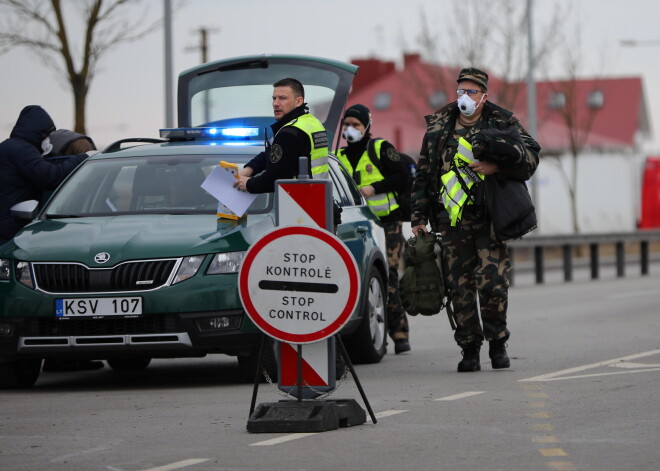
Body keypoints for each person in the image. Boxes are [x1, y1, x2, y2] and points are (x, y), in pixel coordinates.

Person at [410, 68, 540, 372]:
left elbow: (531, 156)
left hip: (490, 218)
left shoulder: (501, 121)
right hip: (452, 220)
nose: (464, 98)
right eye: (460, 92)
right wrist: (417, 216)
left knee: (492, 282)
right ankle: (469, 347)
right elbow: (423, 172)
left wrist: (498, 166)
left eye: (471, 92)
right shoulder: (439, 126)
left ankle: (497, 342)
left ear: (484, 96)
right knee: (459, 286)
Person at [336, 104, 411, 354]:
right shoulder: (339, 158)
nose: (350, 129)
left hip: (387, 224)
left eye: (355, 125)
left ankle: (399, 334)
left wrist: (375, 188)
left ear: (366, 127)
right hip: (358, 228)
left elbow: (403, 177)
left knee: (388, 277)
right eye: (346, 125)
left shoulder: (380, 148)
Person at [0, 106, 89, 245]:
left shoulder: (9, 147)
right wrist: (82, 158)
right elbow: (50, 177)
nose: (49, 140)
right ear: (39, 133)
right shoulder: (23, 150)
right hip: (12, 226)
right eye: (48, 135)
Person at [235, 77, 329, 193]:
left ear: (298, 101)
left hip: (301, 202)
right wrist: (250, 168)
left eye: (282, 98)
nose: (275, 103)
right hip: (319, 200)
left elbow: (276, 177)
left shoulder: (291, 132)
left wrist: (249, 184)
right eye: (274, 98)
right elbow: (272, 154)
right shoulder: (310, 122)